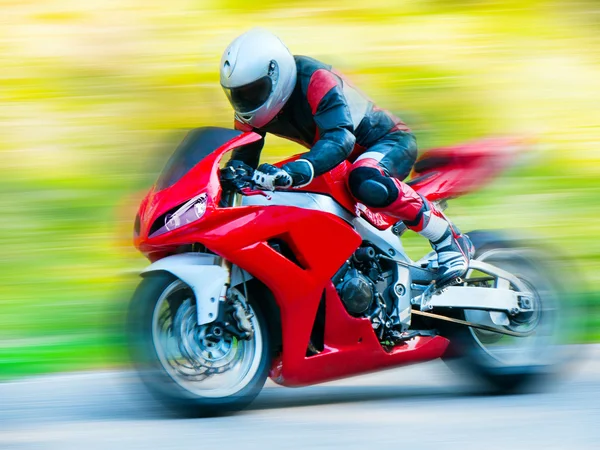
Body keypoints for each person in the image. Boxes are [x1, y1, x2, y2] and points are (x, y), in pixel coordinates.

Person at [220, 28, 469, 285]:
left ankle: (449, 239)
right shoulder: (248, 112)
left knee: (365, 179)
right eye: (239, 94)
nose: (246, 100)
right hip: (340, 159)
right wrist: (228, 175)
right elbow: (243, 155)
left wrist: (298, 170)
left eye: (254, 90)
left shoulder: (316, 79)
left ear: (276, 74)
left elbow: (340, 139)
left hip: (388, 142)